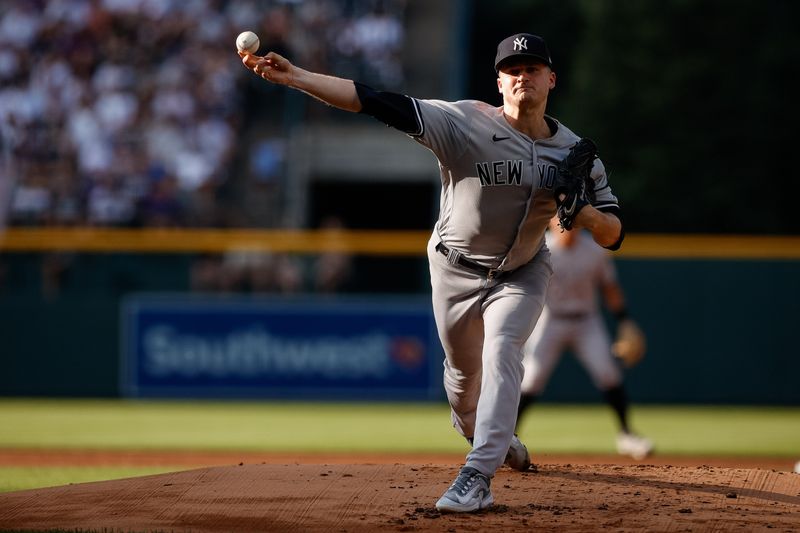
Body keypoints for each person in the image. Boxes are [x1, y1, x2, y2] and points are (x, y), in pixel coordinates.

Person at [239, 32, 625, 513]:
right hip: (454, 270)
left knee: (504, 348)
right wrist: (295, 77)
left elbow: (613, 233)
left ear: (551, 79)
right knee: (464, 389)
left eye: (532, 68)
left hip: (522, 273)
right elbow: (374, 101)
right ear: (499, 82)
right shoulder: (464, 122)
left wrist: (583, 213)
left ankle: (478, 474)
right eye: (512, 69)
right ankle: (493, 440)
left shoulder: (574, 155)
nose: (522, 76)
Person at [517, 216, 654, 460]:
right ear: (549, 223)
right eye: (559, 221)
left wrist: (624, 320)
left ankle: (627, 435)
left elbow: (610, 288)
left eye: (569, 221)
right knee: (532, 379)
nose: (565, 226)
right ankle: (509, 438)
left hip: (586, 321)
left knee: (608, 373)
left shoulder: (594, 251)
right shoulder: (541, 249)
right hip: (551, 320)